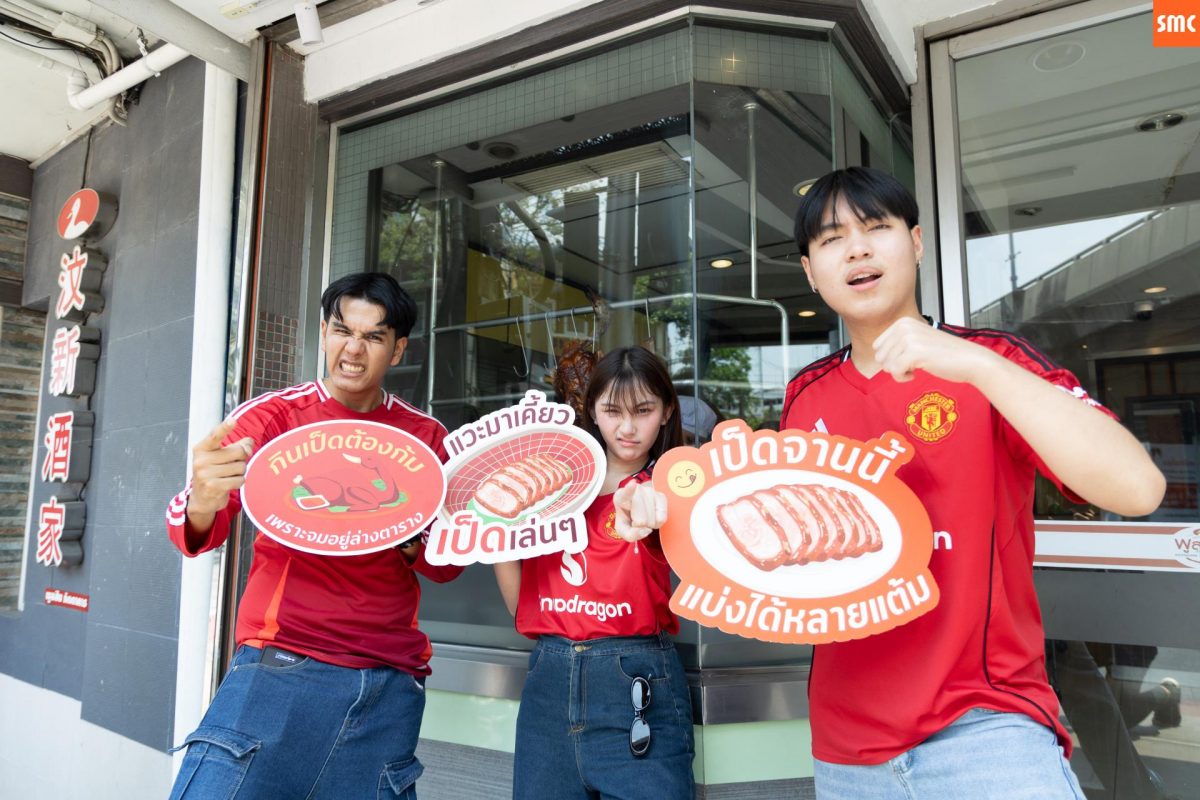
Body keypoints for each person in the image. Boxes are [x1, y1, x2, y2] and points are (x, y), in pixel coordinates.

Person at [615, 167, 1166, 799]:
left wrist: (979, 366)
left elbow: (1137, 488)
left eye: (876, 228)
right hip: (847, 752)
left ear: (917, 242)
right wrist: (660, 511)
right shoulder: (805, 396)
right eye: (831, 239)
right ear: (810, 272)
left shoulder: (992, 361)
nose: (856, 249)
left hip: (987, 730)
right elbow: (766, 547)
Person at [165, 272, 462, 799]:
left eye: (373, 337)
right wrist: (204, 498)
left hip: (387, 681)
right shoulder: (274, 418)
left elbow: (446, 564)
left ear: (398, 350)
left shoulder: (425, 438)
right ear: (324, 333)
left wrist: (406, 532)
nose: (353, 349)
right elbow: (193, 533)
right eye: (342, 331)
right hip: (280, 665)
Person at [494, 346, 695, 800]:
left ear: (666, 411)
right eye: (612, 411)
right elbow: (522, 608)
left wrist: (653, 513)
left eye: (643, 410)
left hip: (637, 682)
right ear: (591, 411)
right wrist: (497, 535)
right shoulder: (551, 487)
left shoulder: (673, 491)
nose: (627, 428)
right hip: (549, 679)